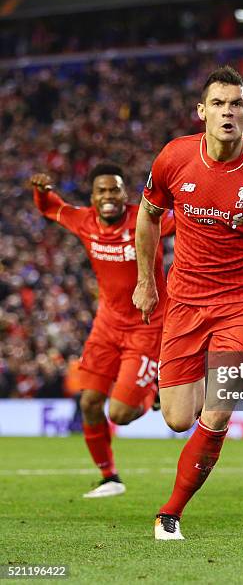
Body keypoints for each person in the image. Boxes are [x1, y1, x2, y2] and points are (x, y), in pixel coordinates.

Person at [133, 65, 243, 539]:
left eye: (237, 104)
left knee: (219, 409)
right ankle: (161, 386)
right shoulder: (174, 158)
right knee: (177, 419)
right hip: (184, 299)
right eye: (219, 104)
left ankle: (170, 512)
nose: (228, 112)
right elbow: (147, 218)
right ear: (201, 112)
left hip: (242, 303)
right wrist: (147, 281)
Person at [31, 164, 174, 498]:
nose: (109, 197)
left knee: (121, 414)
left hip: (145, 327)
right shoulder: (84, 221)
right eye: (102, 191)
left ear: (126, 194)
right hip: (106, 327)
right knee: (90, 403)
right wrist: (41, 190)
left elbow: (189, 220)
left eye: (115, 190)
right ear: (93, 197)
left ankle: (153, 392)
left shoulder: (146, 218)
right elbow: (50, 207)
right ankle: (110, 477)